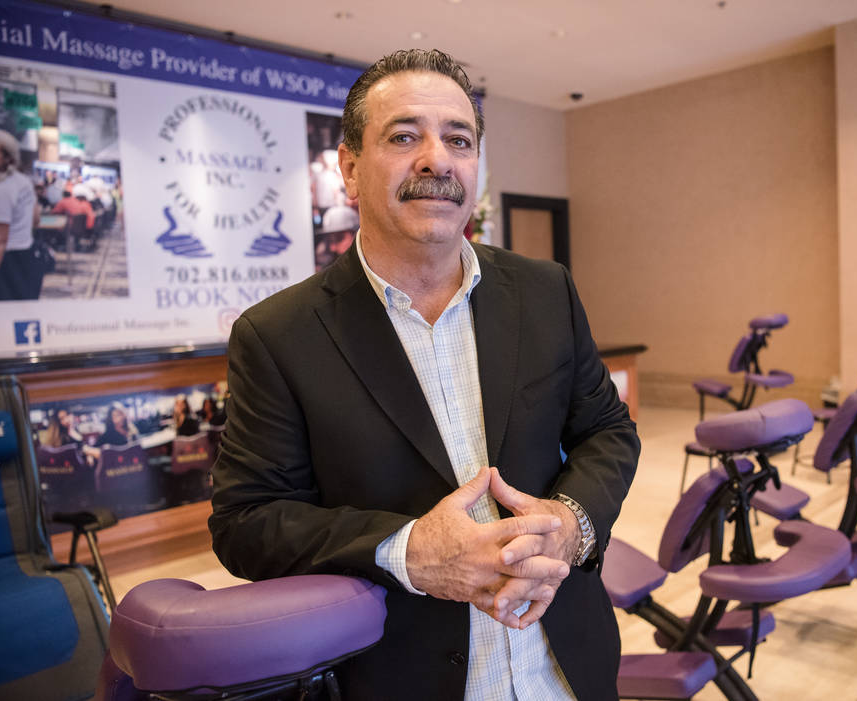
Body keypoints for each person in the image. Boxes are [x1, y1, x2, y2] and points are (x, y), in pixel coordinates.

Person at [208, 49, 639, 700]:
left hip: (566, 664)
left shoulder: (545, 291)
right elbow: (247, 521)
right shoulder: (278, 336)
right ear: (350, 168)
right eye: (404, 136)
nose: (437, 159)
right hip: (402, 675)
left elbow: (607, 430)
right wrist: (409, 550)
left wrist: (572, 522)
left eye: (458, 140)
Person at [0, 129, 42, 300]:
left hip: (7, 260)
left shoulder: (2, 188)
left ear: (7, 156)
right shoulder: (23, 181)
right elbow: (35, 219)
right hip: (26, 254)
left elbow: (0, 241)